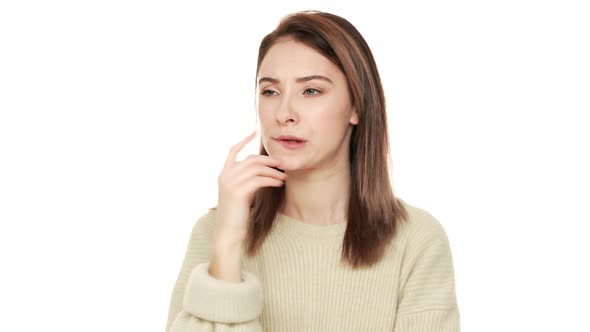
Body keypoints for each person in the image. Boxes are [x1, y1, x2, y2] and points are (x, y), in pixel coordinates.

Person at [166, 10, 461, 332]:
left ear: (356, 107)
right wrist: (228, 241)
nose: (284, 113)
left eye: (311, 91)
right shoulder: (216, 231)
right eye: (270, 91)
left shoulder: (415, 239)